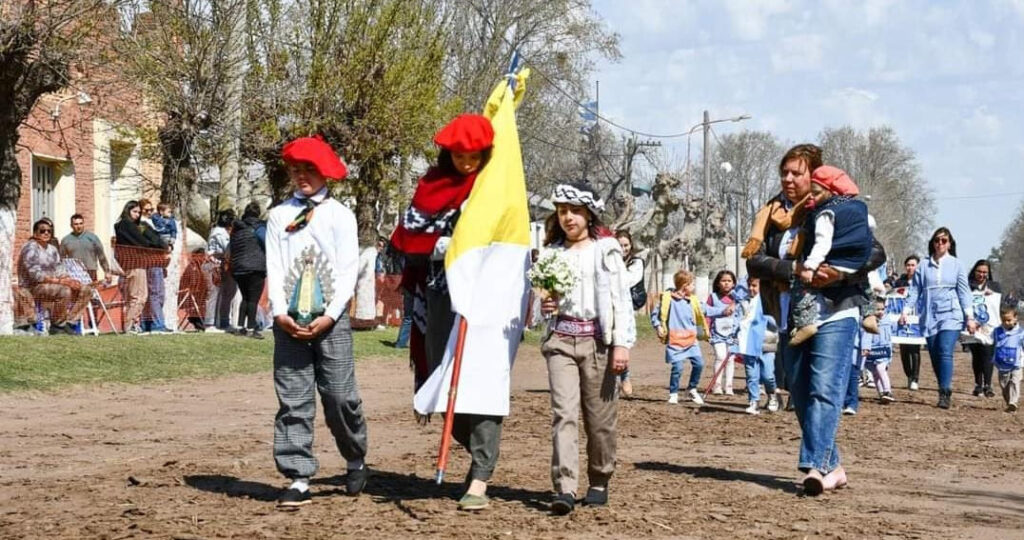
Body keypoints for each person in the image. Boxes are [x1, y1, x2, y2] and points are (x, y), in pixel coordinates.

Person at [746, 144, 885, 496]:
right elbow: (754, 261)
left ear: (816, 176)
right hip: (791, 311)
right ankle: (834, 466)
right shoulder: (771, 214)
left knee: (825, 387)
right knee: (801, 390)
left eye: (797, 172)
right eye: (785, 172)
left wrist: (836, 274)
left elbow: (874, 251)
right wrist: (793, 268)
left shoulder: (841, 209)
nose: (789, 178)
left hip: (838, 308)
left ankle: (815, 466)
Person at [390, 114, 505, 511]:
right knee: (441, 376)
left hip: (486, 299)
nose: (467, 163)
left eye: (474, 156)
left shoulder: (496, 187)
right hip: (439, 293)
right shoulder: (431, 185)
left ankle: (480, 474)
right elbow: (411, 235)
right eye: (459, 155)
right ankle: (469, 444)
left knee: (481, 382)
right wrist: (445, 247)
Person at [266, 136, 368, 507]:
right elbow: (275, 266)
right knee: (293, 398)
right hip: (289, 322)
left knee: (340, 396)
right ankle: (297, 474)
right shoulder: (278, 215)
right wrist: (279, 312)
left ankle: (355, 456)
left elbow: (346, 270)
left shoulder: (340, 215)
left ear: (324, 171)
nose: (301, 176)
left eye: (308, 169)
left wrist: (330, 314)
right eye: (295, 170)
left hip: (330, 319)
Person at [539, 182, 635, 516]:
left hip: (599, 343)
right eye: (562, 211)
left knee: (600, 419)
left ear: (589, 214)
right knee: (563, 414)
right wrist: (545, 304)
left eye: (575, 211)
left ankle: (599, 479)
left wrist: (621, 344)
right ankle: (564, 486)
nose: (568, 218)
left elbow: (620, 299)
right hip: (561, 341)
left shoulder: (605, 249)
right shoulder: (551, 253)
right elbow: (542, 302)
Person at [789, 165, 873, 346]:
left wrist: (810, 267)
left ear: (831, 191)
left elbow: (822, 243)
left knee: (801, 288)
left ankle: (804, 323)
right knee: (865, 284)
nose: (810, 196)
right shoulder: (858, 210)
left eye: (816, 192)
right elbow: (870, 231)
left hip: (836, 298)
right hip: (852, 265)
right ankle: (870, 314)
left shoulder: (824, 214)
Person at [903, 227, 977, 409]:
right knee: (935, 353)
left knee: (945, 350)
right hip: (929, 314)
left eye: (944, 240)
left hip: (951, 314)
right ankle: (942, 384)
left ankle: (945, 392)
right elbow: (914, 291)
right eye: (937, 240)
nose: (940, 244)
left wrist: (970, 317)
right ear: (932, 243)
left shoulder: (957, 264)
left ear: (950, 243)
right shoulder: (923, 266)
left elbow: (964, 292)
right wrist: (905, 311)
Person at [18, 219, 93, 335]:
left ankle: (70, 323)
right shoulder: (30, 248)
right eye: (42, 231)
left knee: (86, 290)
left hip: (52, 284)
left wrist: (70, 280)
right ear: (35, 234)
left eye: (49, 231)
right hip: (32, 287)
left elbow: (60, 269)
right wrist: (61, 281)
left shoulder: (52, 249)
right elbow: (35, 275)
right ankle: (58, 325)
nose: (47, 233)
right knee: (64, 290)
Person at [651, 270, 711, 406]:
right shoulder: (667, 299)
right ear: (685, 285)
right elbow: (655, 315)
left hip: (691, 339)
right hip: (675, 340)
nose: (694, 287)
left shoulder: (693, 300)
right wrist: (658, 326)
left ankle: (692, 388)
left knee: (699, 364)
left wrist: (724, 310)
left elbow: (706, 310)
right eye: (692, 284)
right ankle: (673, 393)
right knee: (677, 367)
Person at [115, 200, 166, 333]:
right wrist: (154, 246)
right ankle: (130, 325)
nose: (137, 215)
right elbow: (141, 242)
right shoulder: (127, 225)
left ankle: (132, 324)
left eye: (139, 212)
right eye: (134, 211)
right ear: (128, 211)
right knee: (139, 296)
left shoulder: (128, 225)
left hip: (131, 264)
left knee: (135, 296)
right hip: (135, 264)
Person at [734, 278, 780, 414]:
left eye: (754, 286)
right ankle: (754, 401)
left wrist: (766, 318)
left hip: (766, 344)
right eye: (749, 285)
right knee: (751, 375)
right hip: (748, 344)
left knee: (768, 375)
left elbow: (776, 322)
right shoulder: (744, 303)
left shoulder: (769, 302)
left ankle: (772, 396)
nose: (751, 288)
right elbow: (738, 320)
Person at [230, 201, 267, 339]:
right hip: (255, 267)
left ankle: (240, 327)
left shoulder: (237, 228)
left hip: (238, 268)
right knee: (253, 299)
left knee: (245, 297)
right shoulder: (259, 227)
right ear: (258, 213)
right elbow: (268, 243)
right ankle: (251, 329)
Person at [615, 229, 644, 398]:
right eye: (620, 245)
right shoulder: (605, 260)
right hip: (606, 307)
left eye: (626, 245)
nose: (623, 248)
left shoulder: (636, 263)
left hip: (624, 309)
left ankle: (625, 377)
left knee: (621, 344)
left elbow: (627, 281)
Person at [967, 259, 1002, 397]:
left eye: (984, 272)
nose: (981, 275)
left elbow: (998, 305)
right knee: (976, 356)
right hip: (972, 327)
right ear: (974, 271)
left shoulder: (995, 287)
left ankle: (988, 385)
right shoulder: (968, 287)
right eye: (979, 271)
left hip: (989, 328)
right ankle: (978, 384)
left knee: (988, 355)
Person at [706, 270, 740, 394]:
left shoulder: (736, 298)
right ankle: (717, 385)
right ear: (718, 283)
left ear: (734, 283)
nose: (726, 283)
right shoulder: (713, 297)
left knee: (730, 359)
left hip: (732, 334)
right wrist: (707, 330)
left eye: (729, 281)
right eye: (723, 281)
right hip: (717, 334)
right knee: (720, 356)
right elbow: (707, 314)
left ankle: (729, 386)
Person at [894, 255, 922, 390]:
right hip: (902, 318)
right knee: (904, 349)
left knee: (914, 349)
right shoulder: (899, 282)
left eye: (913, 265)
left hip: (916, 319)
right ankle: (908, 375)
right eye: (908, 265)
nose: (910, 268)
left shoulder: (922, 281)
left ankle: (915, 378)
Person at [60, 214, 115, 282]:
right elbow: (62, 259)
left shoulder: (92, 238)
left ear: (83, 224)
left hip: (90, 271)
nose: (79, 226)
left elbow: (101, 256)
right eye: (76, 224)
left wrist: (107, 271)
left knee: (91, 292)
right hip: (75, 273)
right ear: (71, 225)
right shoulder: (66, 240)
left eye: (81, 223)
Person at [861, 298, 896, 403]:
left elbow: (893, 330)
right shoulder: (868, 321)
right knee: (875, 373)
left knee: (881, 369)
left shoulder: (888, 320)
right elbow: (865, 335)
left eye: (882, 309)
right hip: (871, 350)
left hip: (884, 349)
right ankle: (881, 393)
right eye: (877, 309)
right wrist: (865, 347)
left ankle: (887, 391)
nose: (880, 312)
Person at [207, 209, 237, 331]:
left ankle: (224, 321)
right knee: (214, 294)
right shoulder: (219, 232)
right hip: (215, 265)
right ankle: (209, 323)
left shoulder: (225, 232)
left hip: (225, 265)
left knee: (227, 294)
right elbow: (227, 248)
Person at [992, 305, 1024, 413]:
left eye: (1009, 320)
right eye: (1004, 320)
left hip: (1017, 363)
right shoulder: (997, 331)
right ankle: (1009, 401)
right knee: (1004, 385)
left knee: (1015, 381)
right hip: (1002, 364)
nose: (1006, 323)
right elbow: (991, 342)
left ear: (1015, 318)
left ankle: (1013, 402)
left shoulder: (1020, 333)